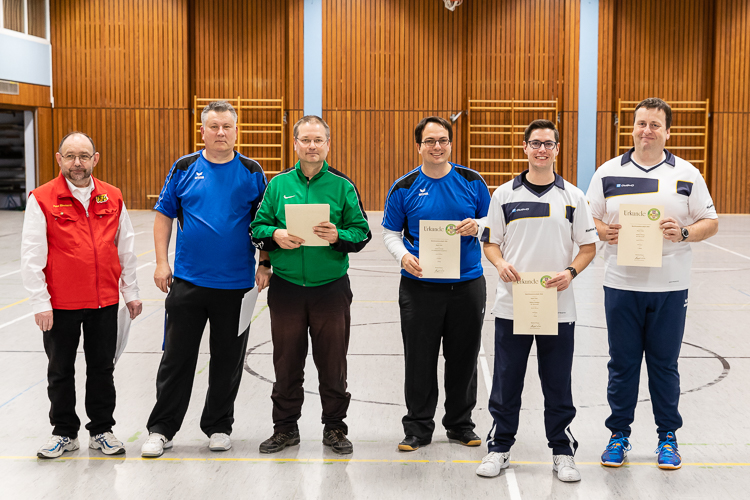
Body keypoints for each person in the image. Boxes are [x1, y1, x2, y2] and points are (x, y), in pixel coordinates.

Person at [587, 97, 718, 470]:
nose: (647, 131)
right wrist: (604, 231)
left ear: (667, 131)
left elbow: (710, 221)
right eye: (641, 123)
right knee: (622, 364)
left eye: (655, 124)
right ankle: (618, 435)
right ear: (631, 128)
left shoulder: (687, 174)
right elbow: (588, 218)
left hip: (670, 287)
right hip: (621, 283)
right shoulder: (607, 172)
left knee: (664, 365)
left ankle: (668, 438)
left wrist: (685, 231)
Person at [141, 101, 270, 457]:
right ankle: (161, 429)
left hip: (236, 286)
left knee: (228, 361)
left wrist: (265, 262)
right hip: (188, 283)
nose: (220, 133)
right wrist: (161, 263)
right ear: (202, 131)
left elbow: (266, 222)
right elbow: (164, 215)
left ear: (236, 131)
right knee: (176, 360)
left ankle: (218, 426)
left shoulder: (252, 171)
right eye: (214, 126)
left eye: (227, 126)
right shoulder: (184, 167)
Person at [476, 119, 597, 482]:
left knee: (557, 382)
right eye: (535, 143)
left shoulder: (574, 197)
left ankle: (562, 451)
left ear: (557, 149)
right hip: (513, 304)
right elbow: (490, 242)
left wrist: (570, 273)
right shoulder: (504, 195)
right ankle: (499, 447)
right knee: (507, 380)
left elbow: (588, 247)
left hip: (558, 307)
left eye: (548, 144)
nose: (541, 150)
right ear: (525, 147)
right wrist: (500, 264)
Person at [251, 115, 371, 455]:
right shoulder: (278, 185)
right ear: (295, 144)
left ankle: (335, 428)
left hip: (330, 289)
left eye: (318, 140)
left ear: (328, 144)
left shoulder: (342, 186)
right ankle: (285, 428)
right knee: (286, 362)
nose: (312, 146)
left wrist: (338, 236)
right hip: (287, 288)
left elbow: (362, 232)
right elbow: (256, 228)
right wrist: (276, 234)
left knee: (333, 363)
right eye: (305, 139)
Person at [21, 131, 142, 458]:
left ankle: (102, 430)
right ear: (59, 159)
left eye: (84, 156)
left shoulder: (112, 196)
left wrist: (131, 292)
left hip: (105, 301)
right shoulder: (42, 198)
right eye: (70, 156)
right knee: (60, 370)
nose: (77, 163)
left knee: (102, 369)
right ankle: (64, 433)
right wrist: (40, 302)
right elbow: (31, 255)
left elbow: (126, 248)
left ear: (95, 159)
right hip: (60, 304)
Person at [382, 116, 490, 452]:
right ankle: (417, 428)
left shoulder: (472, 182)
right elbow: (390, 232)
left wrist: (479, 226)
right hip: (419, 287)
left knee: (464, 358)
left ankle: (460, 424)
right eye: (429, 141)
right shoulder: (404, 186)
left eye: (442, 140)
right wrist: (403, 256)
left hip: (467, 285)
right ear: (419, 146)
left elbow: (495, 223)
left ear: (451, 144)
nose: (437, 146)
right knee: (419, 359)